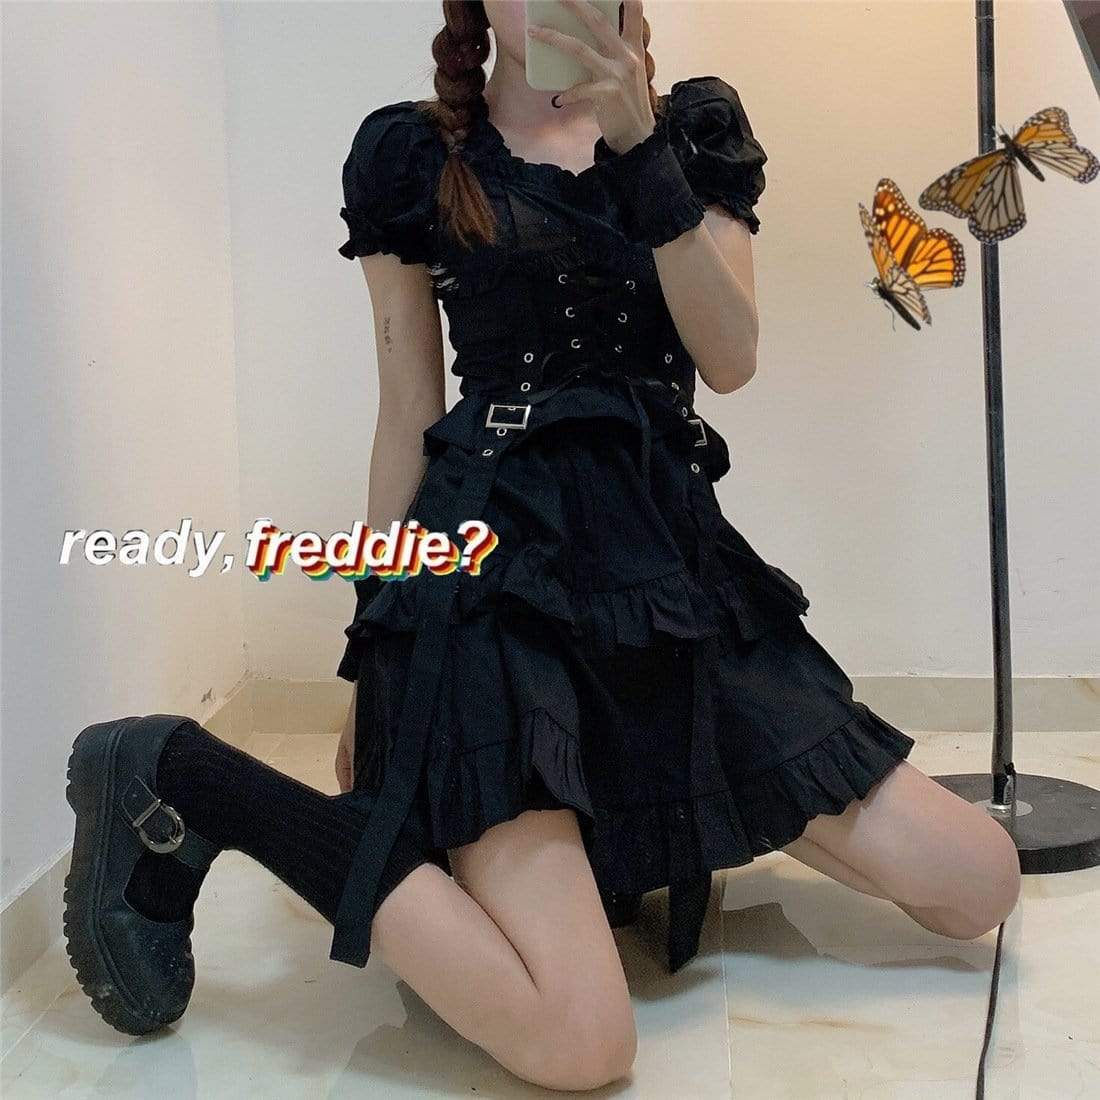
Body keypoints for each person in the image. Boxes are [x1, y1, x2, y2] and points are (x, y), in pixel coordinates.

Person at [62, 1, 1022, 1091]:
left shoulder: (693, 130)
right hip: (491, 587)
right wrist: (375, 653)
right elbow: (407, 412)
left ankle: (616, 831)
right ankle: (186, 772)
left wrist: (640, 146)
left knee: (978, 882)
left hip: (669, 579)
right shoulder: (413, 153)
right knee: (580, 1041)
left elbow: (730, 359)